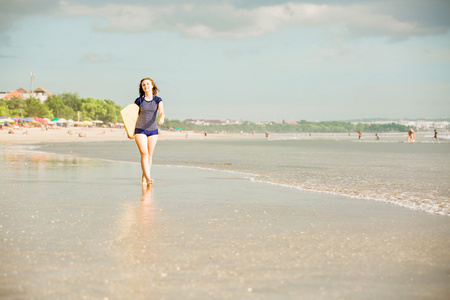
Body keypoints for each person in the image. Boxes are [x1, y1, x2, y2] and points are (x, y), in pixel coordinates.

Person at [133, 77, 165, 187]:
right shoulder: (139, 101)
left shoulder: (158, 100)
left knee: (150, 155)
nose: (146, 86)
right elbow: (131, 116)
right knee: (144, 154)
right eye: (143, 85)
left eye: (147, 84)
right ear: (142, 88)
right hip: (140, 129)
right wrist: (129, 131)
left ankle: (144, 178)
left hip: (153, 130)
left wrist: (162, 118)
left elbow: (161, 112)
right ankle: (148, 178)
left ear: (152, 86)